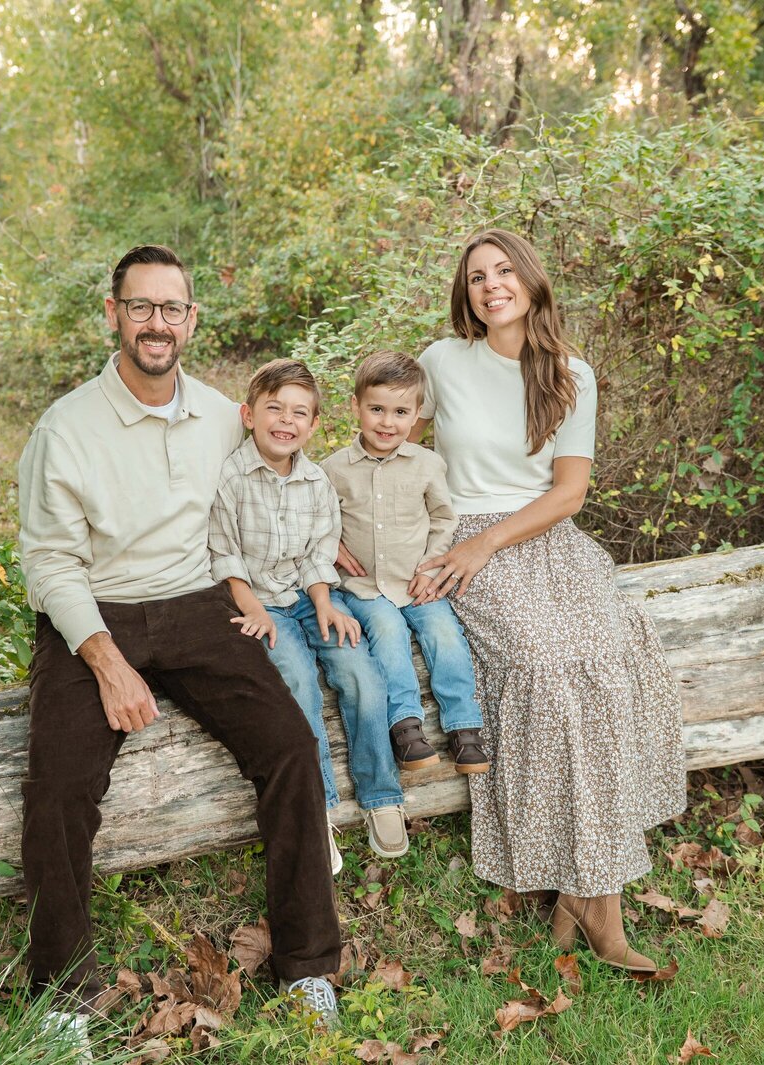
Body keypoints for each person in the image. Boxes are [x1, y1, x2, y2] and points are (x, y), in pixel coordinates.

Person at [16, 247, 344, 1049]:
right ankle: (62, 988)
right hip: (96, 612)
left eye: (172, 308)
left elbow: (283, 478)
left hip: (200, 606)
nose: (157, 323)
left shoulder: (224, 414)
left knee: (293, 747)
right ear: (112, 313)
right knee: (58, 785)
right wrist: (106, 659)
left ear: (192, 320)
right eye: (141, 307)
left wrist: (333, 549)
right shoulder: (66, 428)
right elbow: (49, 562)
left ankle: (306, 966)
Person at [378, 227, 686, 972]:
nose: (491, 285)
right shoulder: (442, 362)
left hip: (547, 538)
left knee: (614, 656)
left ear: (531, 280)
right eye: (477, 276)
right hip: (467, 543)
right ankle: (595, 908)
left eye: (503, 270)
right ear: (467, 295)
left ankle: (586, 896)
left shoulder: (569, 373)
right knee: (546, 667)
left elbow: (570, 492)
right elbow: (384, 436)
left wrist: (497, 540)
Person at [207, 359, 408, 865]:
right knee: (295, 680)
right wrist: (255, 610)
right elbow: (223, 553)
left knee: (360, 668)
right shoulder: (230, 478)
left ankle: (381, 795)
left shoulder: (316, 481)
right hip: (257, 602)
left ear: (314, 424)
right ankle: (315, 805)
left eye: (299, 413)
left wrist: (325, 604)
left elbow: (321, 552)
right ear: (248, 415)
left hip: (307, 593)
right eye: (274, 408)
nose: (286, 421)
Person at [319, 351, 490, 778]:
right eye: (376, 409)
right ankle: (407, 729)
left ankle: (465, 728)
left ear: (416, 414)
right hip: (365, 588)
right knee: (388, 635)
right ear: (355, 406)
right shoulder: (332, 470)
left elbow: (443, 518)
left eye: (400, 412)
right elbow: (319, 522)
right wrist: (331, 543)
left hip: (418, 583)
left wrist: (432, 568)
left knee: (445, 635)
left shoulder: (427, 464)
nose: (387, 422)